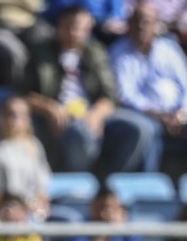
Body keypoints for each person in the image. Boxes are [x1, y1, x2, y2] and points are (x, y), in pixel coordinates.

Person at [26, 4, 153, 175]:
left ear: (88, 30)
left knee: (142, 127)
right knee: (80, 132)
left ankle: (111, 182)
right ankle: (81, 187)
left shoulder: (95, 52)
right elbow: (23, 94)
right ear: (59, 26)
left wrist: (96, 114)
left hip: (92, 112)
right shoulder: (40, 52)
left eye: (80, 29)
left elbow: (110, 94)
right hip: (63, 115)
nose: (74, 33)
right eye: (69, 27)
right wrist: (48, 106)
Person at [109, 6, 187, 174]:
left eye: (147, 21)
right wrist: (158, 116)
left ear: (156, 24)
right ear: (128, 24)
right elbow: (125, 96)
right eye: (137, 21)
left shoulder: (170, 49)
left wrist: (182, 115)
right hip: (145, 117)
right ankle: (149, 190)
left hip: (180, 118)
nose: (142, 26)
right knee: (149, 130)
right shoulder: (118, 53)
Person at [0, 95, 50, 217]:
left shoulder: (35, 145)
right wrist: (16, 207)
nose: (15, 120)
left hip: (34, 211)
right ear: (1, 116)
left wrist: (38, 206)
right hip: (3, 212)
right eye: (11, 114)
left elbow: (43, 187)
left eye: (21, 115)